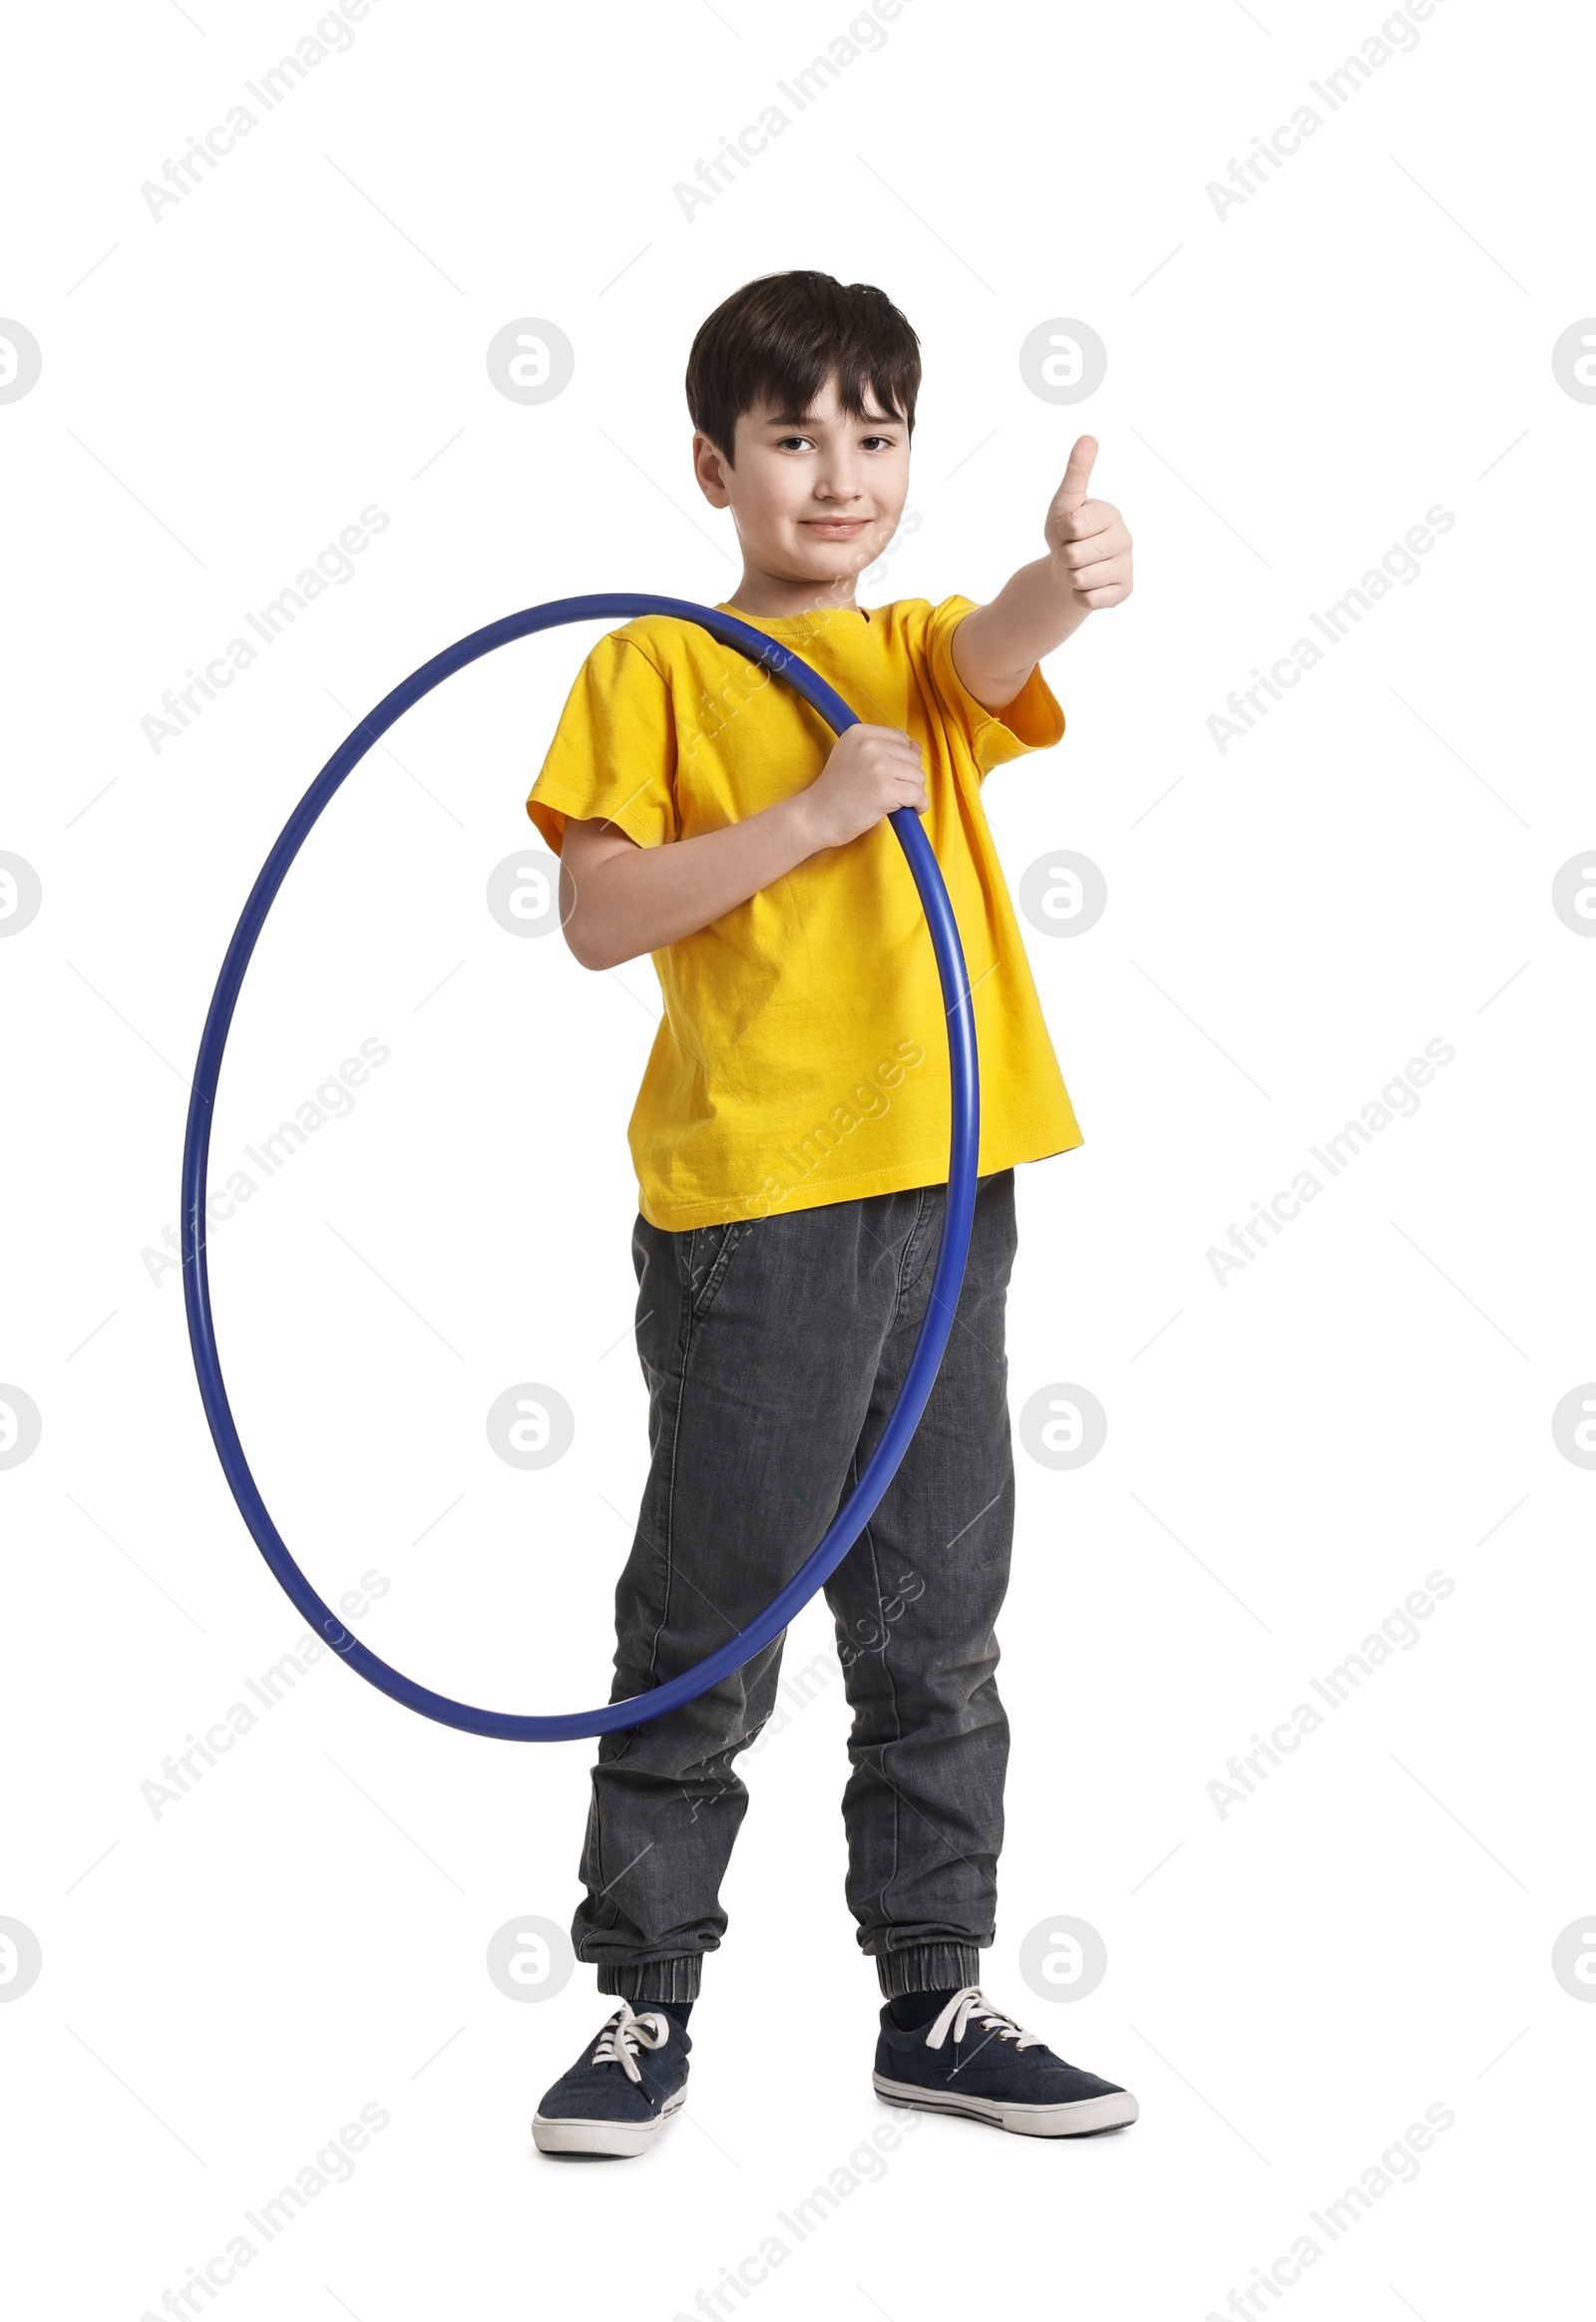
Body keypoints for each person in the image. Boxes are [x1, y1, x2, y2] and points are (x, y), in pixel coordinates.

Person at [524, 270, 1137, 2156]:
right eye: (797, 438)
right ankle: (644, 2002)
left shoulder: (920, 656)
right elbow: (599, 916)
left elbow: (994, 650)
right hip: (758, 1213)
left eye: (876, 436)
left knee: (942, 1615)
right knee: (715, 1612)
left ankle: (933, 1993)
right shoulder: (655, 669)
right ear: (717, 465)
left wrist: (1073, 569)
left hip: (948, 1200)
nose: (841, 473)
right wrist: (804, 822)